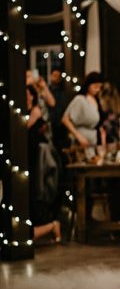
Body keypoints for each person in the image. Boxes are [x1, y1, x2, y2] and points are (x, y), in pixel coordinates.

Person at [25, 85, 61, 244]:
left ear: (33, 96)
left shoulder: (36, 113)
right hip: (27, 163)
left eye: (28, 94)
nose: (26, 97)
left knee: (35, 197)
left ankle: (51, 226)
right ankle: (51, 227)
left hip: (36, 163)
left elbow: (25, 130)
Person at [62, 71, 104, 149]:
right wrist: (78, 136)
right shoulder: (80, 99)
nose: (97, 90)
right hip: (81, 141)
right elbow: (65, 120)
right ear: (88, 85)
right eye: (95, 86)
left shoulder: (96, 100)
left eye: (99, 87)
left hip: (93, 141)